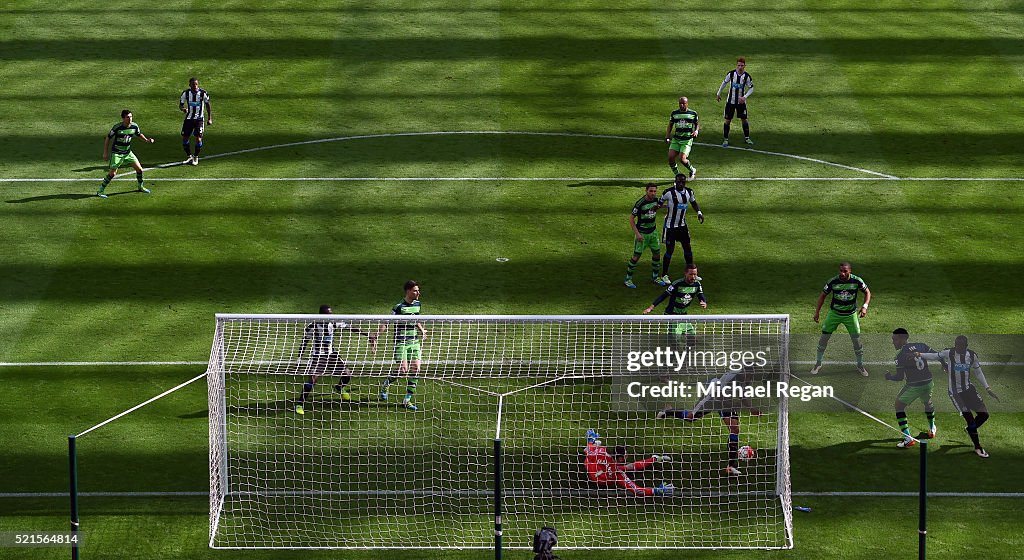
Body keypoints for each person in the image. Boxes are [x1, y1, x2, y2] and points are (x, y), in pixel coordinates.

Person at [657, 368, 762, 476]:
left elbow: (742, 396)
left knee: (734, 428)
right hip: (713, 395)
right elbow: (718, 396)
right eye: (748, 373)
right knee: (690, 417)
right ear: (743, 372)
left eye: (752, 374)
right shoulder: (731, 377)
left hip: (725, 400)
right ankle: (669, 411)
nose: (750, 377)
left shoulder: (745, 381)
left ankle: (731, 466)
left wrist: (752, 409)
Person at [916, 336, 999, 458]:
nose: (958, 348)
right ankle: (978, 447)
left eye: (961, 346)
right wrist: (919, 354)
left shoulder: (972, 356)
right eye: (956, 345)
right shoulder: (949, 353)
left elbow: (978, 371)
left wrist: (987, 388)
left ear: (966, 346)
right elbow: (935, 356)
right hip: (955, 394)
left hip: (969, 389)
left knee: (984, 415)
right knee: (970, 420)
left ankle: (970, 429)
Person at [294, 305, 377, 415]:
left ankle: (339, 388)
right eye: (329, 314)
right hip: (318, 356)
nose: (332, 315)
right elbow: (304, 342)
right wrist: (299, 358)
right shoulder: (312, 326)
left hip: (332, 354)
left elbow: (350, 327)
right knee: (313, 379)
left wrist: (368, 335)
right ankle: (299, 403)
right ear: (322, 315)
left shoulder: (333, 323)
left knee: (347, 374)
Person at [811, 262, 871, 376]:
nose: (842, 273)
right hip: (834, 314)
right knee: (824, 338)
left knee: (856, 340)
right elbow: (822, 296)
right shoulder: (833, 281)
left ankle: (860, 365)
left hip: (850, 315)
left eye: (845, 271)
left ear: (850, 271)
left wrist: (865, 307)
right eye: (841, 271)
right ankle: (818, 363)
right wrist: (817, 312)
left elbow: (867, 292)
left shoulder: (857, 281)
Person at [376, 280, 427, 411]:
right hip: (401, 342)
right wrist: (376, 335)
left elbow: (415, 319)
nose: (418, 293)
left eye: (418, 290)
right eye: (415, 290)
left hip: (414, 341)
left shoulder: (418, 304)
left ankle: (407, 400)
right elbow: (386, 322)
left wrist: (421, 330)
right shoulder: (398, 307)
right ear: (408, 291)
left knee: (416, 369)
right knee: (403, 371)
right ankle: (387, 383)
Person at [885, 328, 936, 448]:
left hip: (915, 386)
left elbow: (899, 377)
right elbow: (935, 355)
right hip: (928, 382)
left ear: (903, 339)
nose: (893, 342)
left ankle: (908, 438)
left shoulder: (900, 355)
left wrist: (889, 377)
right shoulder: (921, 345)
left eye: (895, 339)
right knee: (927, 402)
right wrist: (945, 365)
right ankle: (932, 428)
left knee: (898, 406)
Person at [583, 429, 673, 496]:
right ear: (621, 459)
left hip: (591, 471)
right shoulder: (618, 474)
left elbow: (587, 450)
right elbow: (637, 490)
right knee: (629, 467)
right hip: (600, 481)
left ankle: (655, 459)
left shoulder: (601, 452)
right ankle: (655, 458)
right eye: (626, 455)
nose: (627, 456)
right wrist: (656, 491)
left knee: (595, 449)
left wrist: (591, 441)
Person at [656, 174, 704, 286]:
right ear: (675, 181)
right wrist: (656, 207)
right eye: (679, 182)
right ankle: (664, 275)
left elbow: (693, 202)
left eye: (683, 182)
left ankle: (692, 274)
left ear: (685, 182)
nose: (681, 184)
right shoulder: (668, 192)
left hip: (682, 226)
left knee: (688, 248)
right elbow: (659, 203)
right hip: (670, 227)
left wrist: (699, 212)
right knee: (670, 250)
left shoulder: (689, 192)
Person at [98, 110, 155, 198]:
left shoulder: (134, 126)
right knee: (112, 174)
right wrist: (105, 152)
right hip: (117, 153)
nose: (130, 119)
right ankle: (100, 191)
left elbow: (139, 134)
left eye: (131, 117)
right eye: (128, 117)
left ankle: (140, 186)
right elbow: (108, 138)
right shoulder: (117, 127)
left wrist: (147, 140)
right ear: (123, 118)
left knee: (139, 170)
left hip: (128, 152)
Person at [643, 264, 706, 341]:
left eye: (695, 274)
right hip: (672, 315)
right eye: (691, 274)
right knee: (675, 340)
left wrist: (703, 301)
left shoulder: (697, 284)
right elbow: (664, 295)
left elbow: (700, 294)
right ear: (685, 273)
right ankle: (674, 352)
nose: (693, 277)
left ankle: (688, 352)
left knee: (692, 336)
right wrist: (651, 308)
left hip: (683, 315)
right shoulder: (677, 284)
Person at [624, 183, 663, 289]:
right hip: (642, 234)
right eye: (651, 191)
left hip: (653, 233)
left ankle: (655, 277)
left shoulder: (656, 200)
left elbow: (655, 208)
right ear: (646, 191)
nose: (653, 193)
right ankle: (628, 279)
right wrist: (637, 234)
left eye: (655, 191)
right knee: (636, 257)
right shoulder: (640, 203)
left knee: (657, 254)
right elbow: (631, 219)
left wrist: (665, 206)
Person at [715, 57, 755, 147]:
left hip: (741, 103)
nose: (740, 67)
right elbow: (724, 83)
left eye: (742, 65)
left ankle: (747, 138)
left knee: (744, 119)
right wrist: (718, 93)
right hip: (730, 102)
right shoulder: (731, 74)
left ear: (745, 66)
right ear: (736, 65)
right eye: (738, 65)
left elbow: (751, 88)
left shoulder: (747, 76)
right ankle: (725, 140)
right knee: (727, 120)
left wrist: (744, 97)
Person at [664, 96, 700, 180]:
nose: (682, 105)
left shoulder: (693, 113)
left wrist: (696, 131)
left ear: (687, 104)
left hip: (687, 140)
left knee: (682, 159)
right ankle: (678, 175)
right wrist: (667, 135)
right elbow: (670, 125)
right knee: (670, 157)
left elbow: (697, 124)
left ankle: (692, 170)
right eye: (680, 103)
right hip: (676, 139)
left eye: (683, 103)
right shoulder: (674, 113)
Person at [179, 77, 212, 165]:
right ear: (189, 85)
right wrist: (183, 109)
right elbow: (181, 105)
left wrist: (209, 118)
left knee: (198, 139)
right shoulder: (185, 93)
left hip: (199, 119)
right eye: (193, 84)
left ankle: (196, 157)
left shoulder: (203, 93)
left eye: (196, 84)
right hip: (189, 119)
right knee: (185, 138)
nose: (195, 86)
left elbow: (208, 105)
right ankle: (189, 156)